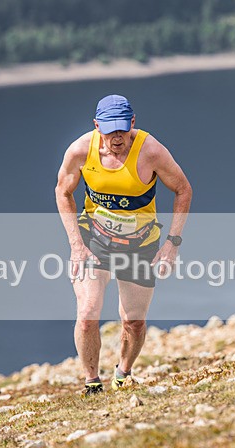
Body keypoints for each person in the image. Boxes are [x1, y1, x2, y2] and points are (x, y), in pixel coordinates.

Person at [55, 94, 192, 395]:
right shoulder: (80, 151)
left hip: (140, 245)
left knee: (134, 322)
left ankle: (123, 372)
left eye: (122, 129)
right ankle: (92, 382)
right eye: (109, 130)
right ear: (96, 126)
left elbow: (183, 189)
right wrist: (76, 245)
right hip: (95, 240)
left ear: (132, 123)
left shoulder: (151, 151)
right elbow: (63, 192)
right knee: (88, 313)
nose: (116, 138)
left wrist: (172, 244)